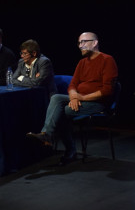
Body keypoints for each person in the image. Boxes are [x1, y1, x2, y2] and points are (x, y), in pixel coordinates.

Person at [27, 32, 118, 165]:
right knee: (57, 98)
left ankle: (68, 149)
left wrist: (83, 97)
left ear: (95, 42)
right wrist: (74, 96)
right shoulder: (82, 63)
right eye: (79, 43)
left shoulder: (107, 60)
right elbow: (73, 85)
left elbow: (107, 90)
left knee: (61, 112)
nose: (81, 46)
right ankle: (47, 135)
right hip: (80, 99)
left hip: (98, 103)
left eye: (84, 42)